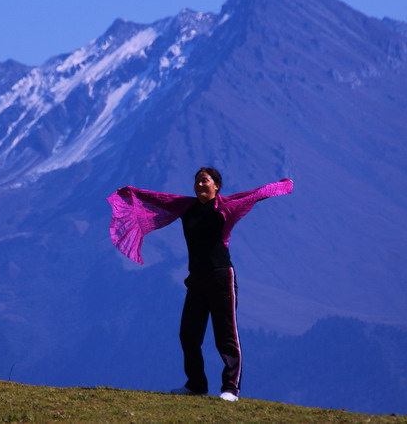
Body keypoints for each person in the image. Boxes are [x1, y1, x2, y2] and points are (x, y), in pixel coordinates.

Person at [107, 168, 293, 401]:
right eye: (197, 181)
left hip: (221, 277)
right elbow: (158, 199)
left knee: (225, 336)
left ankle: (230, 389)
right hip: (196, 279)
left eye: (205, 181)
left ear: (216, 186)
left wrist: (283, 185)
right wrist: (131, 193)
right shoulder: (187, 207)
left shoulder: (225, 209)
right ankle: (196, 385)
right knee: (189, 335)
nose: (200, 185)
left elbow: (255, 195)